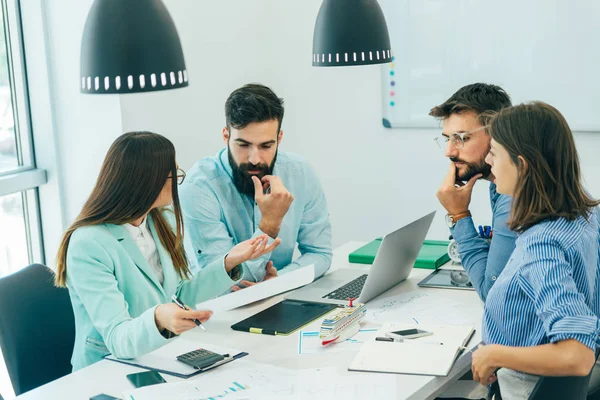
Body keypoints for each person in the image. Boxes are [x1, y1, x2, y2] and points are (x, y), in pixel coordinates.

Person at [55, 131, 278, 371]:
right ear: (147, 182)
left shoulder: (161, 221)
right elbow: (118, 338)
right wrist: (158, 318)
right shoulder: (88, 244)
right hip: (107, 370)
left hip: (160, 356)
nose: (178, 181)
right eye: (174, 175)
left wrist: (229, 262)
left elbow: (179, 294)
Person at [470, 102, 600, 399]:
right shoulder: (585, 216)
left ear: (522, 164)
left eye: (495, 152)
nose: (489, 162)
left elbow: (577, 355)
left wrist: (495, 354)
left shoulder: (541, 243)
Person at [179, 84, 332, 287]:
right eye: (243, 145)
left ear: (279, 138)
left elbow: (320, 254)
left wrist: (277, 283)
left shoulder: (300, 173)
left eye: (266, 146)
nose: (254, 158)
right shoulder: (198, 188)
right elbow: (221, 282)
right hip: (217, 311)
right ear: (226, 136)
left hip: (280, 298)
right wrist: (269, 225)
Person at [431, 83, 516, 301]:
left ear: (498, 133)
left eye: (462, 138)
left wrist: (459, 215)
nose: (449, 151)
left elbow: (493, 294)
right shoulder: (498, 184)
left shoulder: (515, 196)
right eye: (447, 138)